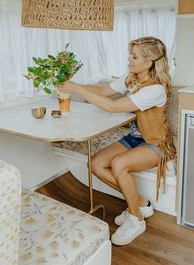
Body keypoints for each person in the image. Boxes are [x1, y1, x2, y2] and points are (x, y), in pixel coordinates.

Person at [58, 36, 176, 246]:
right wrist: (76, 84)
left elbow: (112, 106)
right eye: (130, 54)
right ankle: (140, 202)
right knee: (94, 164)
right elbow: (104, 91)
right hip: (134, 138)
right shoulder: (133, 78)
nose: (129, 59)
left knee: (118, 164)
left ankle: (136, 219)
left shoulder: (154, 89)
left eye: (134, 56)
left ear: (149, 62)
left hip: (155, 143)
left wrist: (77, 88)